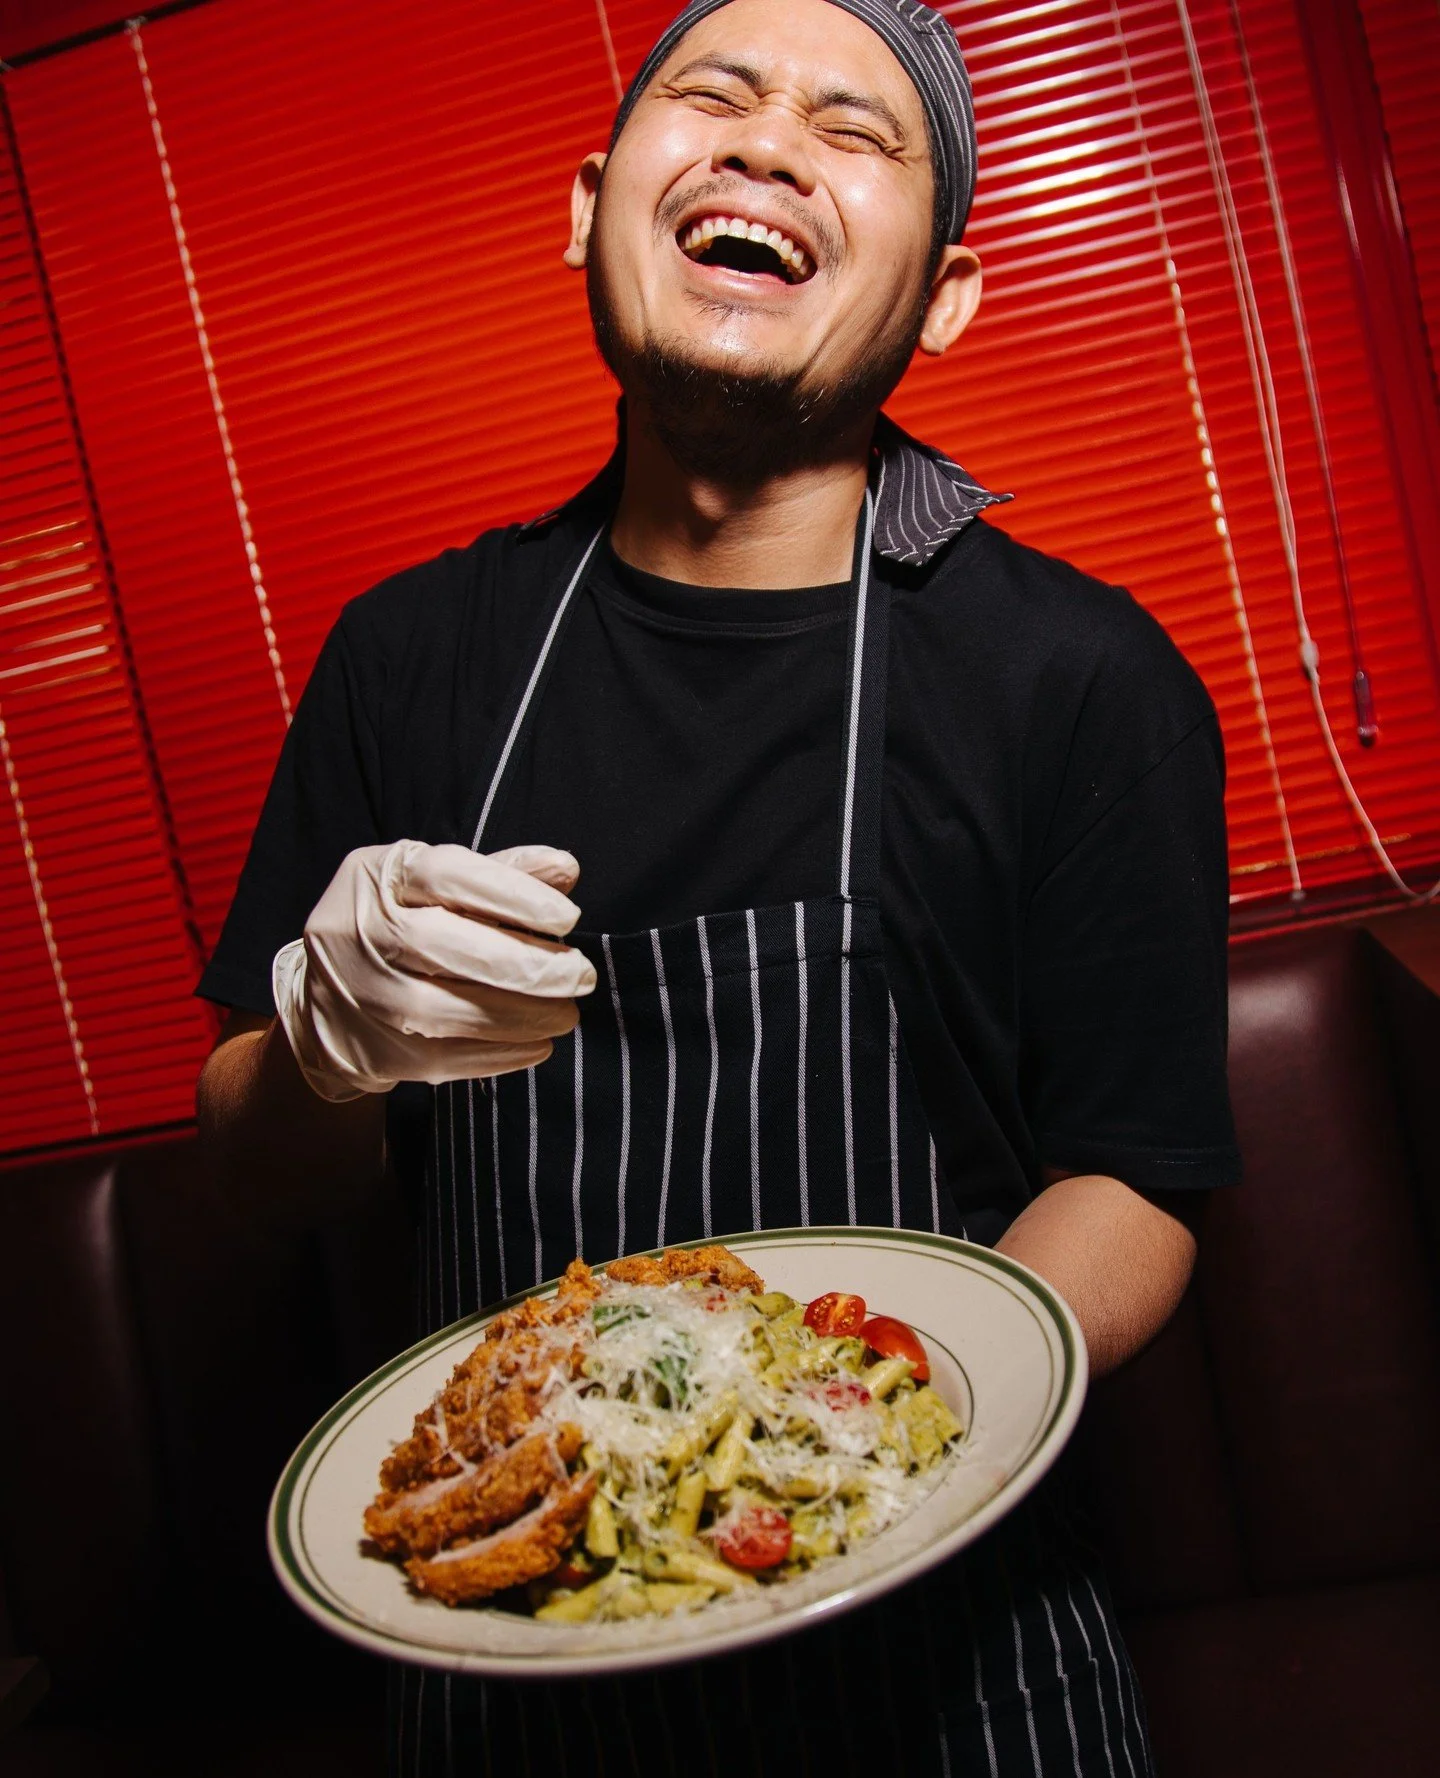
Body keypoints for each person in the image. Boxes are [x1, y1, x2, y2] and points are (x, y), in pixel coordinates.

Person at [197, 0, 1239, 1769]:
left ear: (951, 294)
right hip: (505, 1650)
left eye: (855, 130)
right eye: (717, 96)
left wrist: (870, 1432)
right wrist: (323, 1046)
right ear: (594, 199)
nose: (766, 144)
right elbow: (260, 1164)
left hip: (953, 1654)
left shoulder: (1079, 676)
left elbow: (1135, 1177)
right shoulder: (409, 657)